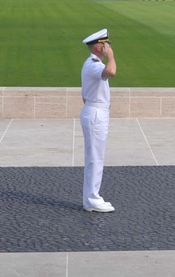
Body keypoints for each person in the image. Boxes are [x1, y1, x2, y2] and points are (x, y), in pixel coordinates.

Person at [80, 28, 117, 212]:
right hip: (96, 113)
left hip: (95, 111)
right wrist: (111, 56)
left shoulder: (92, 63)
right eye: (106, 44)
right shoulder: (94, 65)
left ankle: (92, 198)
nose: (108, 47)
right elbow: (111, 72)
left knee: (95, 157)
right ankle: (92, 199)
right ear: (98, 47)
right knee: (95, 158)